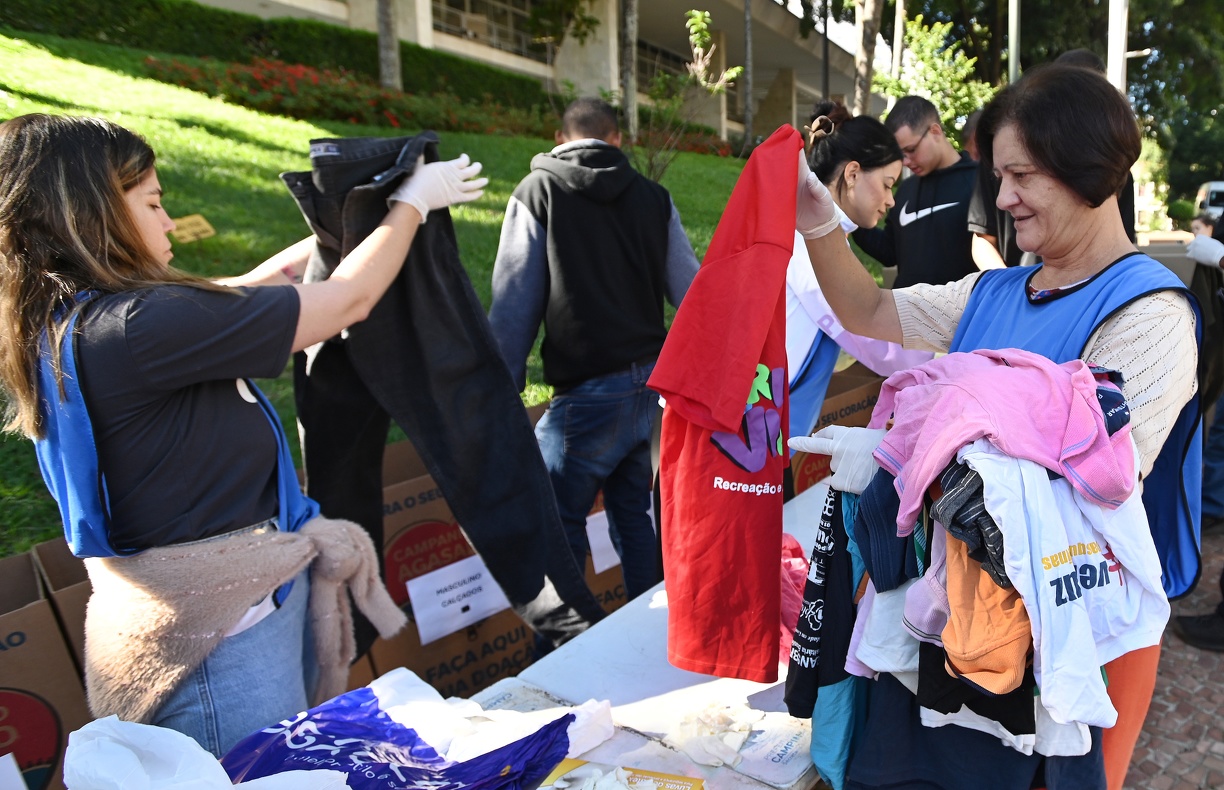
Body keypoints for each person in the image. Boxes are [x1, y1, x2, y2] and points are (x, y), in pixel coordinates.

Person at [0, 114, 486, 756]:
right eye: (152, 202)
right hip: (216, 644)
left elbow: (252, 289)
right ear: (91, 214)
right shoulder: (142, 327)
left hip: (216, 612)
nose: (170, 222)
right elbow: (348, 301)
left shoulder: (85, 322)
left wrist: (351, 227)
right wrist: (409, 207)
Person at [791, 64, 1198, 790]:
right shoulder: (994, 289)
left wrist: (923, 436)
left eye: (1022, 176)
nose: (1003, 199)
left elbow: (1083, 491)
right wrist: (817, 217)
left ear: (1091, 176)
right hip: (954, 629)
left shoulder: (1150, 317)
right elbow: (872, 314)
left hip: (1061, 650)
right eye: (999, 175)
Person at [488, 97, 700, 602]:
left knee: (556, 527)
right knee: (634, 515)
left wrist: (500, 392)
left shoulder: (535, 191)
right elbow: (691, 292)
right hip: (652, 387)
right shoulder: (654, 196)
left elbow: (514, 302)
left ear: (560, 139)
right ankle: (650, 634)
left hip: (584, 396)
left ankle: (561, 648)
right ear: (617, 140)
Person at [787, 101, 934, 441]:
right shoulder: (808, 240)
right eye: (887, 184)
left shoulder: (817, 232)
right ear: (852, 174)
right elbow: (869, 331)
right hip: (741, 425)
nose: (891, 200)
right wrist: (938, 351)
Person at [851, 95, 994, 287]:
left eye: (911, 150)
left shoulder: (980, 181)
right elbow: (889, 252)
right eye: (901, 155)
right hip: (905, 312)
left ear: (935, 131)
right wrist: (853, 213)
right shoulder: (906, 189)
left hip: (963, 313)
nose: (906, 161)